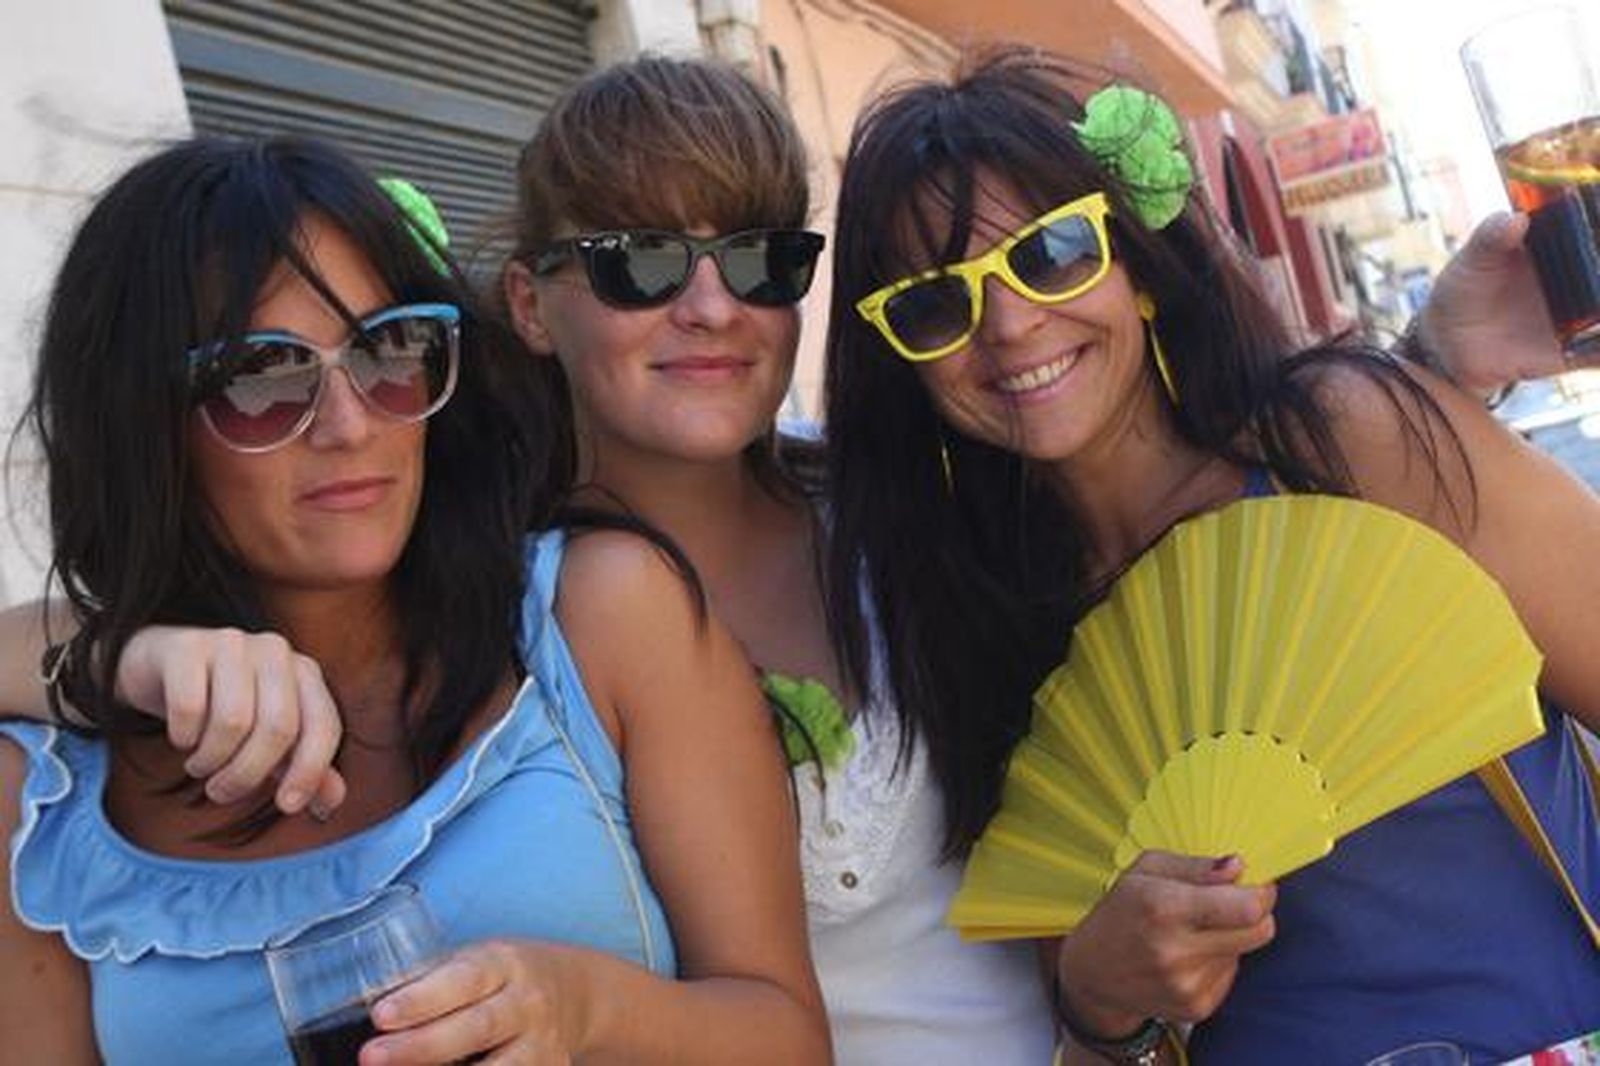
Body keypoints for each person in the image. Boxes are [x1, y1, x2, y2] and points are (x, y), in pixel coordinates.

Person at [0, 53, 1578, 1065]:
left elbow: (1198, 520)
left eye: (760, 256)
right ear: (529, 306)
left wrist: (1409, 388)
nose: (709, 307)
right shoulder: (504, 597)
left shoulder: (929, 529)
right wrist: (106, 651)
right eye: (638, 263)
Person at [820, 45, 1600, 1063]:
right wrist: (1105, 994)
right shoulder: (987, 628)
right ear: (903, 360)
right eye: (935, 303)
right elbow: (1095, 1017)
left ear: (1138, 265)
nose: (1008, 325)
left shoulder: (1346, 441)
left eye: (1053, 252)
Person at [0, 135, 828, 1064]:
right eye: (260, 377)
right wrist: (124, 654)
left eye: (389, 350)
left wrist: (587, 1008)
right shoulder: (41, 806)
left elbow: (787, 1036)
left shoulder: (600, 617)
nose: (352, 425)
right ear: (141, 423)